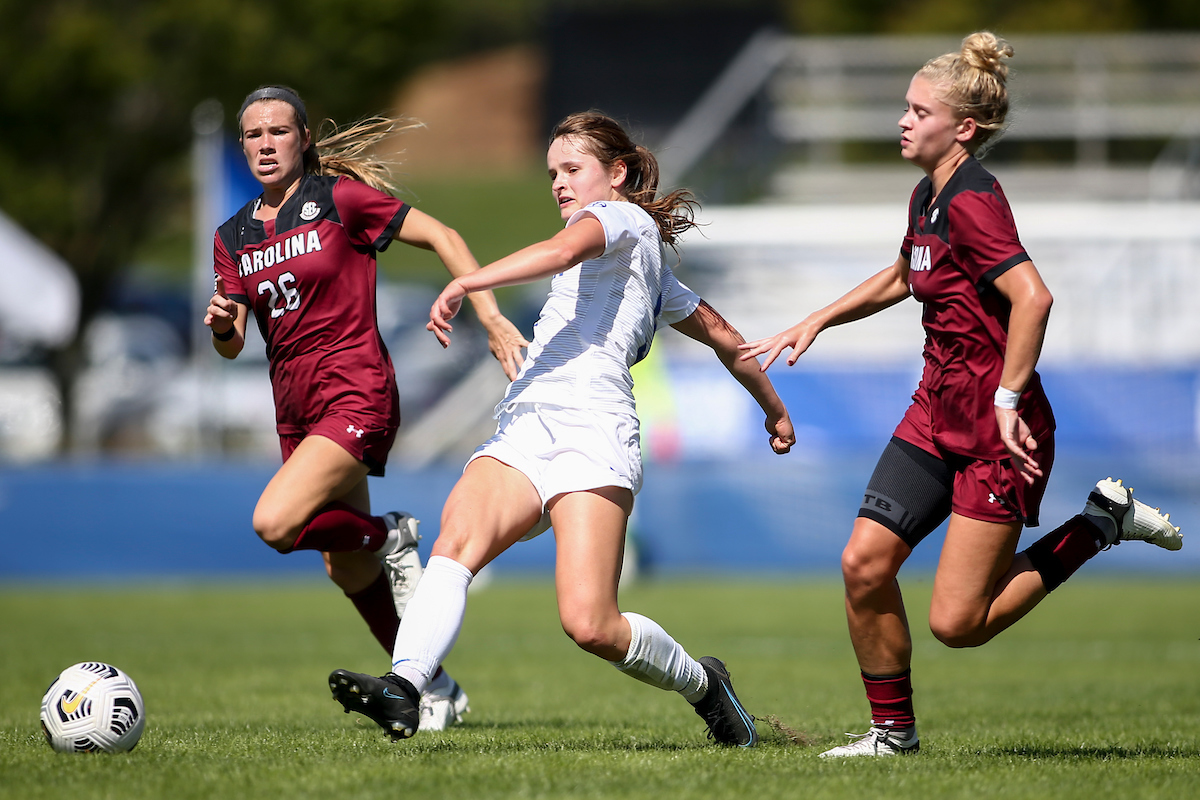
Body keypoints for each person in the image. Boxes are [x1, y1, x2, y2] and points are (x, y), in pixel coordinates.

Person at [740, 32, 1183, 758]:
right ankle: (892, 735)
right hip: (934, 411)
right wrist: (818, 316)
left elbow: (1034, 299)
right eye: (904, 108)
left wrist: (1008, 399)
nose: (904, 121)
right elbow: (902, 272)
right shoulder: (928, 193)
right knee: (864, 563)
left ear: (964, 128)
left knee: (959, 623)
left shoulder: (975, 199)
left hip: (995, 428)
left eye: (920, 111)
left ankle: (1101, 524)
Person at [326, 111, 796, 744]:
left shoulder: (621, 219)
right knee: (454, 545)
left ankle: (705, 685)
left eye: (573, 169)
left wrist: (469, 278)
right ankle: (406, 688)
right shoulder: (640, 262)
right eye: (552, 172)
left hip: (595, 430)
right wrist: (773, 408)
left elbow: (561, 250)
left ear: (618, 174)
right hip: (526, 419)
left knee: (591, 623)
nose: (558, 183)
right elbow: (728, 340)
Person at [205, 85, 528, 731]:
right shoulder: (233, 234)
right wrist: (220, 325)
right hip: (295, 410)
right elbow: (233, 342)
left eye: (278, 131)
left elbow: (444, 234)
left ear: (302, 139)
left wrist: (489, 315)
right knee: (343, 563)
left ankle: (390, 534)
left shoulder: (339, 200)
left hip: (355, 391)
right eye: (252, 135)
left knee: (275, 524)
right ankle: (431, 689)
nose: (265, 144)